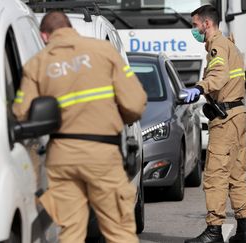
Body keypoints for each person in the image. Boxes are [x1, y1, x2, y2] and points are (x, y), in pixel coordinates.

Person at [12, 11, 146, 243]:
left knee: (71, 232)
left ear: (44, 36)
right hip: (103, 153)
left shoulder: (37, 64)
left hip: (62, 156)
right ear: (70, 29)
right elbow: (135, 104)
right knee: (118, 231)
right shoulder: (104, 51)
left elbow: (22, 114)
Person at [183, 5, 246, 243]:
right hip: (238, 115)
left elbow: (219, 76)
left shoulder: (218, 46)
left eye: (195, 25)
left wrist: (199, 88)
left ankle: (214, 231)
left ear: (207, 24)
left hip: (225, 119)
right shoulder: (230, 45)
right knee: (236, 174)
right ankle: (244, 231)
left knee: (215, 175)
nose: (194, 30)